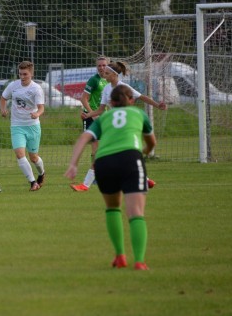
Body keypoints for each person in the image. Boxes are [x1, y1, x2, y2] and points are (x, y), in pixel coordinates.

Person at [65, 84, 157, 270]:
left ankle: (120, 257)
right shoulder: (139, 115)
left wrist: (73, 164)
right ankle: (139, 261)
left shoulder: (104, 117)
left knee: (113, 207)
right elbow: (151, 143)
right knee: (136, 213)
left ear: (111, 103)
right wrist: (143, 153)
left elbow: (84, 138)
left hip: (104, 163)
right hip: (130, 159)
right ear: (131, 100)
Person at [71, 60, 167, 192]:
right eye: (104, 72)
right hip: (114, 126)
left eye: (107, 73)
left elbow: (142, 97)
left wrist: (157, 105)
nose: (104, 74)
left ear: (115, 74)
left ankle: (85, 185)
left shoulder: (123, 88)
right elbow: (100, 109)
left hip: (124, 127)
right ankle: (146, 180)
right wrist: (88, 115)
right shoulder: (106, 88)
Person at [0, 61, 46, 191]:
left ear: (31, 73)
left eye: (25, 74)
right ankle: (32, 182)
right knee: (20, 154)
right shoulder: (13, 86)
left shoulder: (36, 89)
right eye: (20, 74)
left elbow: (41, 108)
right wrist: (3, 109)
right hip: (16, 125)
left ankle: (42, 173)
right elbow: (3, 98)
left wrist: (37, 113)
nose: (22, 77)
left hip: (32, 126)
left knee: (34, 158)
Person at [70, 55, 109, 192]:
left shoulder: (109, 81)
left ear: (108, 65)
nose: (101, 67)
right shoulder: (94, 80)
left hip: (103, 117)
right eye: (99, 65)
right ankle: (96, 176)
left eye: (104, 65)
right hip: (92, 117)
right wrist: (92, 114)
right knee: (96, 147)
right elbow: (83, 99)